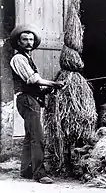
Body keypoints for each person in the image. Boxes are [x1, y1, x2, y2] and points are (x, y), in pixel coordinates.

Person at [9, 24, 64, 184]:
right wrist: (54, 84)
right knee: (38, 137)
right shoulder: (18, 58)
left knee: (30, 136)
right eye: (24, 39)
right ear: (18, 42)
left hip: (30, 99)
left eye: (31, 39)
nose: (28, 42)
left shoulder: (28, 59)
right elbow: (34, 80)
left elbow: (37, 86)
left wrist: (48, 89)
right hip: (26, 100)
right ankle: (40, 174)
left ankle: (26, 171)